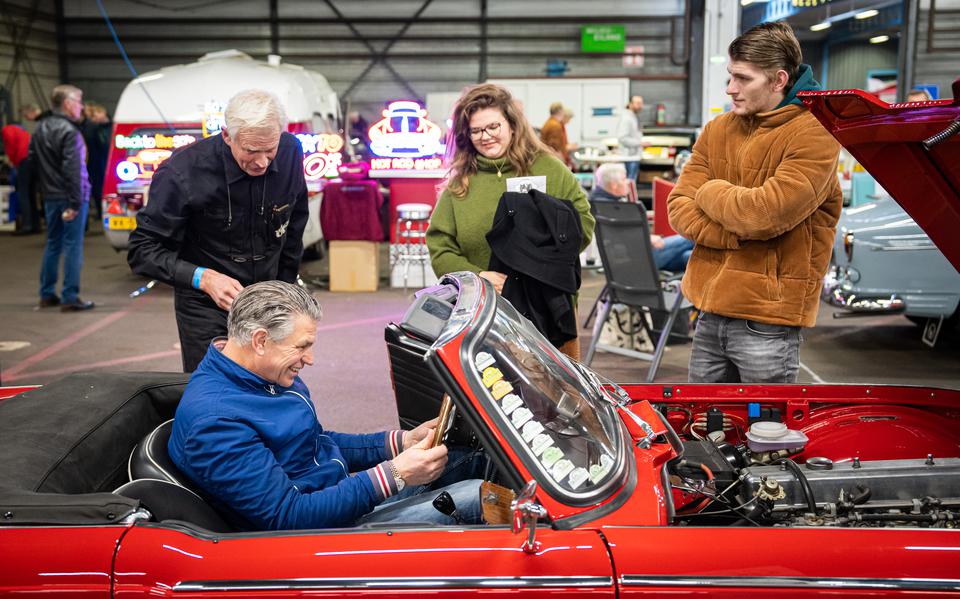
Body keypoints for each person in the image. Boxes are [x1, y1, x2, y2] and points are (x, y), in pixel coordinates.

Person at [169, 280, 486, 531]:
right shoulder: (215, 422)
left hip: (335, 496)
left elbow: (314, 442)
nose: (310, 359)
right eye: (302, 347)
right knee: (477, 496)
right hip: (318, 533)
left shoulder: (265, 373)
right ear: (260, 340)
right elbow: (289, 518)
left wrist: (400, 442)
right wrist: (395, 474)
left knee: (471, 456)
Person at [667, 21, 842, 383]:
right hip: (709, 311)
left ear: (779, 80)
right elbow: (678, 208)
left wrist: (710, 189)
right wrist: (733, 234)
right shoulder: (719, 130)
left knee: (764, 433)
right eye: (730, 76)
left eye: (743, 79)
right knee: (703, 428)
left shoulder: (814, 134)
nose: (731, 89)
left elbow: (763, 215)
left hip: (767, 320)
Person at [128, 89, 309, 373]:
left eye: (269, 150)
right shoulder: (182, 172)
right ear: (227, 135)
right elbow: (142, 250)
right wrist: (204, 278)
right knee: (215, 391)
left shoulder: (289, 151)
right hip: (206, 305)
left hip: (267, 300)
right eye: (250, 151)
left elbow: (294, 224)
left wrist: (284, 290)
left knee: (270, 384)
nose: (262, 162)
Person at [426, 83, 595, 359]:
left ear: (512, 124)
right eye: (476, 130)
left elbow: (583, 224)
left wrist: (535, 271)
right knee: (488, 399)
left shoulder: (548, 168)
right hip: (483, 316)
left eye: (494, 126)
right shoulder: (460, 184)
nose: (486, 136)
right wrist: (477, 279)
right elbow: (440, 245)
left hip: (548, 316)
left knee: (554, 400)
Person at [28, 85, 94, 312]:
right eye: (78, 101)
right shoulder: (69, 131)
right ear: (67, 103)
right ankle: (70, 296)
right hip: (71, 197)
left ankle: (46, 294)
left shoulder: (39, 128)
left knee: (53, 243)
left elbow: (33, 163)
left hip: (50, 196)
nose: (81, 106)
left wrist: (44, 191)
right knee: (73, 246)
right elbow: (73, 170)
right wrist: (76, 203)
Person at [590, 163, 693, 272]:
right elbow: (625, 236)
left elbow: (620, 233)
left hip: (631, 259)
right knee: (694, 237)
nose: (628, 182)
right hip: (643, 257)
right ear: (614, 185)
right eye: (624, 179)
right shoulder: (613, 208)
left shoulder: (598, 204)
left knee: (690, 257)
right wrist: (648, 239)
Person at [80, 102, 111, 222]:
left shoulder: (93, 128)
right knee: (97, 188)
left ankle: (101, 211)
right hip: (95, 162)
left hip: (98, 162)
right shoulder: (93, 128)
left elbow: (103, 146)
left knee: (99, 187)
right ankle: (100, 211)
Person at [617, 95, 645, 182]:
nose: (640, 106)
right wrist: (640, 143)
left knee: (630, 184)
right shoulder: (627, 118)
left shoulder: (632, 117)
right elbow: (622, 138)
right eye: (638, 103)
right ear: (630, 104)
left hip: (633, 157)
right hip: (629, 158)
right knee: (629, 184)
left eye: (641, 103)